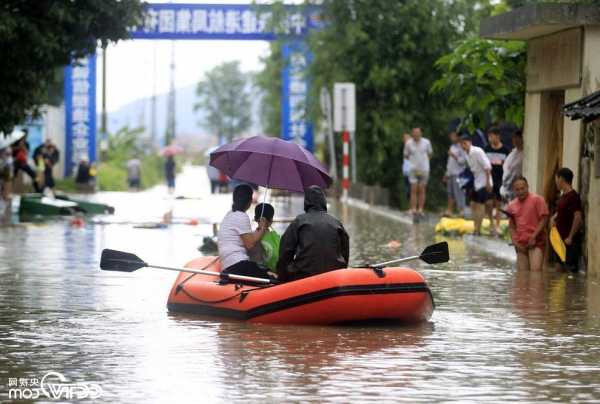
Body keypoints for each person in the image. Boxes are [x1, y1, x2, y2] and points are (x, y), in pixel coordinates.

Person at [277, 186, 349, 282]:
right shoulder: (336, 223)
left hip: (303, 275)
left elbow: (285, 252)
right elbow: (345, 251)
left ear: (306, 202)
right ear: (323, 201)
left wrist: (282, 278)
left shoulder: (299, 221)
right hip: (334, 276)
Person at [218, 184, 272, 280]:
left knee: (262, 270)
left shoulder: (230, 214)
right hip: (237, 263)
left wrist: (259, 228)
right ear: (249, 201)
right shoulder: (241, 216)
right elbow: (250, 244)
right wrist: (262, 227)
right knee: (270, 278)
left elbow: (248, 238)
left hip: (227, 264)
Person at [505, 176, 549, 272]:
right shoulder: (511, 206)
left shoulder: (538, 200)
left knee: (535, 272)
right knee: (522, 276)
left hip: (536, 242)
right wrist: (516, 243)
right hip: (521, 244)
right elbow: (512, 227)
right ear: (514, 190)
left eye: (522, 188)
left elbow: (544, 219)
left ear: (527, 187)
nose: (520, 191)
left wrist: (534, 236)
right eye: (517, 189)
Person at [460, 133, 494, 235]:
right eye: (461, 144)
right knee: (473, 204)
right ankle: (476, 228)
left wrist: (488, 183)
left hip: (484, 181)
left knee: (480, 205)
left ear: (470, 143)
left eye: (465, 143)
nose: (463, 146)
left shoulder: (477, 151)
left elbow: (487, 167)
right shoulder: (467, 154)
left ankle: (478, 230)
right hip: (477, 181)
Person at [553, 167, 584, 272]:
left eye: (556, 179)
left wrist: (570, 237)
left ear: (561, 179)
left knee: (569, 274)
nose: (556, 182)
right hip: (559, 240)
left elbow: (578, 217)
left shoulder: (573, 196)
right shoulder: (564, 196)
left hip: (568, 242)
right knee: (558, 273)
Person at [485, 126, 510, 231]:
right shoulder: (486, 149)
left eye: (492, 136)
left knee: (498, 203)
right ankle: (491, 223)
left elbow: (508, 166)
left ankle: (498, 225)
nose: (490, 139)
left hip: (501, 180)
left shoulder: (505, 150)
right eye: (488, 136)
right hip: (490, 179)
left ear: (497, 136)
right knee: (489, 202)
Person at [404, 127, 433, 217]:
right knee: (413, 189)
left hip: (424, 169)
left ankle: (420, 209)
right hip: (413, 169)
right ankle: (413, 209)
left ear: (421, 133)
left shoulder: (426, 142)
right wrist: (412, 164)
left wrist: (424, 162)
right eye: (415, 133)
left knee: (422, 189)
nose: (416, 134)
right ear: (412, 134)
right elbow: (406, 155)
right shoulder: (408, 143)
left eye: (418, 133)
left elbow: (430, 154)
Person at [248, 203, 280, 273]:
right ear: (271, 220)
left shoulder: (250, 238)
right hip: (276, 274)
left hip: (257, 274)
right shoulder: (277, 237)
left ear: (255, 218)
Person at [443, 130, 467, 217]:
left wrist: (454, 155)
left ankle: (462, 211)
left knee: (459, 192)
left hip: (459, 173)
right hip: (451, 173)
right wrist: (446, 173)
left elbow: (463, 161)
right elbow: (450, 162)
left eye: (453, 136)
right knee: (450, 192)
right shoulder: (452, 146)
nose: (451, 137)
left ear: (457, 137)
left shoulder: (462, 147)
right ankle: (449, 210)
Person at [501, 129, 524, 201]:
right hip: (506, 186)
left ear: (521, 138)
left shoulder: (523, 154)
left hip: (517, 187)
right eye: (513, 138)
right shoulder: (513, 153)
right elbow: (506, 167)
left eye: (517, 138)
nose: (515, 141)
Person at [402, 133, 411, 202]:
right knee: (407, 188)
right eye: (404, 138)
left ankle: (413, 205)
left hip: (411, 171)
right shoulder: (405, 147)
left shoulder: (411, 147)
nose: (406, 140)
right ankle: (410, 204)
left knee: (410, 189)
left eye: (407, 138)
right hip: (405, 171)